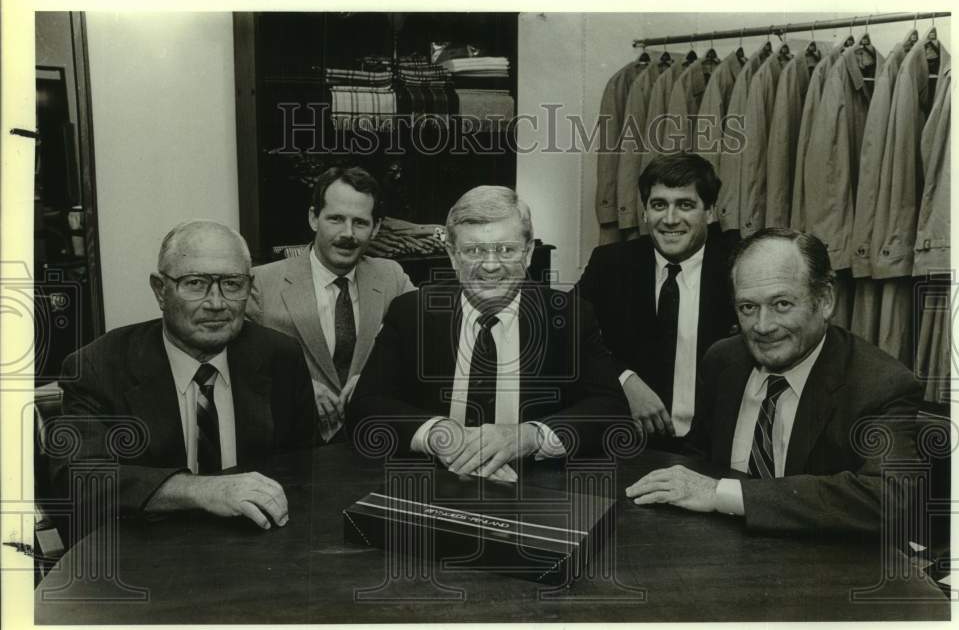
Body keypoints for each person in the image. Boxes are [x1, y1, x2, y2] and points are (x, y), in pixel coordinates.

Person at [626, 228, 923, 534]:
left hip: (822, 564)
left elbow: (890, 499)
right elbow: (701, 460)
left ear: (825, 300)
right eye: (748, 308)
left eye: (781, 304)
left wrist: (725, 495)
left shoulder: (879, 384)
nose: (763, 326)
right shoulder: (723, 361)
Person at [348, 185, 628, 480]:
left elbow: (610, 411)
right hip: (434, 485)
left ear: (529, 252)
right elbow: (366, 407)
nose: (491, 266)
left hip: (534, 492)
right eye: (473, 251)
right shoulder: (412, 313)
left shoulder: (569, 315)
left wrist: (529, 437)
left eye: (506, 250)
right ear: (453, 256)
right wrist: (436, 433)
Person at [54, 221, 317, 531]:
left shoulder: (280, 356)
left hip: (256, 548)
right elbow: (78, 478)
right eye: (195, 283)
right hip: (148, 554)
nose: (216, 303)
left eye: (232, 284)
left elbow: (307, 471)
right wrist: (200, 490)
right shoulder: (98, 366)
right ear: (160, 290)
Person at [577, 152, 736, 448]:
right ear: (645, 212)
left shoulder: (738, 268)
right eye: (659, 205)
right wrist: (624, 379)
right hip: (627, 445)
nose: (670, 219)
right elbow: (566, 339)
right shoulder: (610, 264)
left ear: (711, 212)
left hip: (716, 449)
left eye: (685, 205)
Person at [248, 165, 414, 441]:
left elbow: (419, 347)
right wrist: (294, 384)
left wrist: (375, 379)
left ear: (377, 228)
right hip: (291, 445)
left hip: (371, 443)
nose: (348, 233)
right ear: (314, 218)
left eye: (360, 222)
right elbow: (237, 361)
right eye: (336, 219)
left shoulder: (391, 277)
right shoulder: (262, 283)